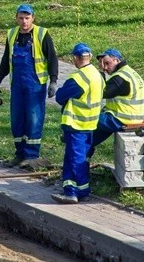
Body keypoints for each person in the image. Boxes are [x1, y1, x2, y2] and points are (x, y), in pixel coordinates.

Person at [0, 3, 59, 169]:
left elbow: (53, 59)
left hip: (35, 86)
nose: (24, 21)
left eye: (27, 18)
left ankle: (32, 155)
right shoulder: (12, 34)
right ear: (16, 18)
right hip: (17, 86)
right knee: (17, 120)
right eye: (21, 18)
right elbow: (6, 59)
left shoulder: (42, 34)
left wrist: (54, 81)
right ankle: (20, 154)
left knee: (34, 118)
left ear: (33, 18)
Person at [52, 43, 105, 204]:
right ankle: (77, 190)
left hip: (76, 123)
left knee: (74, 159)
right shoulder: (98, 75)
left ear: (75, 58)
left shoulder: (79, 78)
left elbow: (60, 96)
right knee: (77, 157)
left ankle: (75, 192)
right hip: (90, 123)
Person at [88, 48, 144, 157]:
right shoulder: (129, 73)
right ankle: (84, 156)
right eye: (102, 64)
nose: (105, 67)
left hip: (119, 119)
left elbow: (101, 93)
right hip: (129, 118)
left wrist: (100, 74)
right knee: (89, 140)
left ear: (117, 60)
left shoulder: (120, 77)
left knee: (83, 122)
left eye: (107, 63)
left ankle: (79, 162)